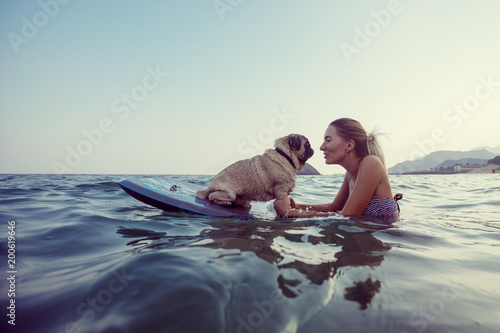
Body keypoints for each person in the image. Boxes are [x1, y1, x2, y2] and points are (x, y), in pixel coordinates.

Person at [274, 118, 402, 218]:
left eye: (328, 140)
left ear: (349, 145)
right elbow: (334, 207)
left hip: (387, 238)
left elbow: (347, 217)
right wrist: (296, 206)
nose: (322, 147)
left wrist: (290, 213)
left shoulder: (371, 163)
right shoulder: (350, 174)